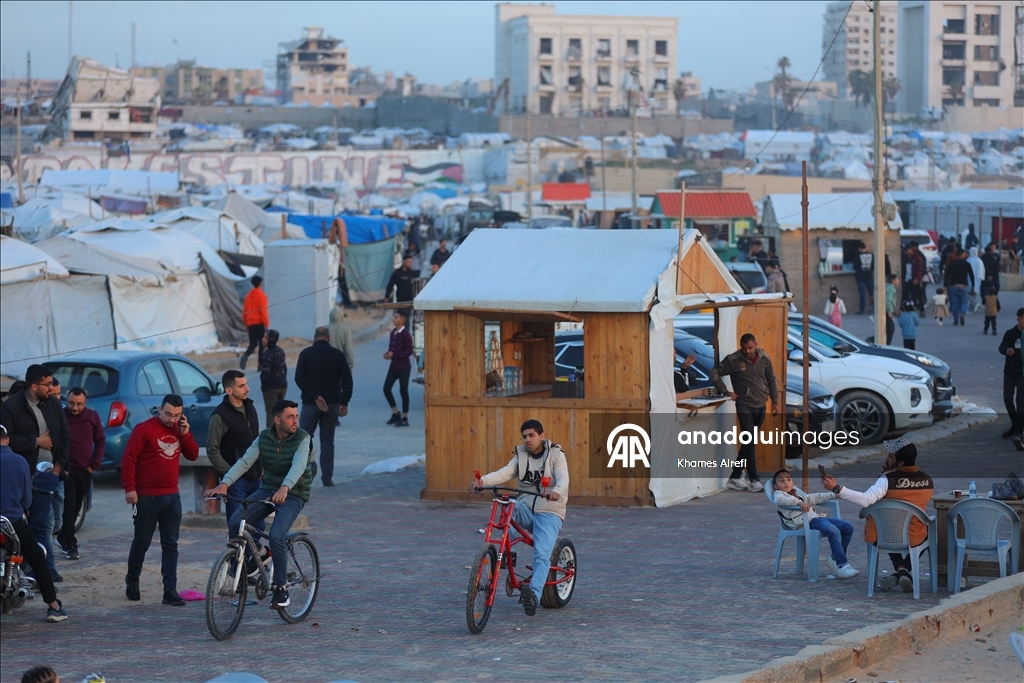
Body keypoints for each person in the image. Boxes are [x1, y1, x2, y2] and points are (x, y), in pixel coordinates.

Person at [206, 399, 314, 609]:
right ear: (277, 420)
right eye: (290, 417)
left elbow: (299, 465)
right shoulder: (264, 437)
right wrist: (225, 483)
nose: (295, 421)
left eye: (297, 416)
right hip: (268, 489)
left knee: (276, 536)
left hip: (294, 493)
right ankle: (261, 555)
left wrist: (285, 487)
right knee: (236, 522)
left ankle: (281, 588)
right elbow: (246, 461)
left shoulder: (303, 438)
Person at [470, 419, 569, 616]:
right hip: (526, 506)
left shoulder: (556, 454)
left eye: (531, 435)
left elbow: (563, 477)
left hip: (549, 510)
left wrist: (557, 490)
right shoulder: (521, 455)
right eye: (524, 436)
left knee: (542, 554)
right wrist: (482, 481)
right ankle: (508, 553)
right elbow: (504, 473)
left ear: (541, 436)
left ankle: (533, 595)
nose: (527, 440)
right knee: (508, 505)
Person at [821, 438, 933, 593]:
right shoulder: (927, 480)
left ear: (900, 463)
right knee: (930, 531)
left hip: (885, 535)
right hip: (915, 536)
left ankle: (900, 571)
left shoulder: (887, 479)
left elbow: (866, 500)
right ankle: (902, 571)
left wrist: (837, 488)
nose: (887, 459)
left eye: (891, 457)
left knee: (888, 527)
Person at [121, 394, 199, 606]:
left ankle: (170, 590)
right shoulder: (144, 429)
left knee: (170, 544)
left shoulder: (179, 429)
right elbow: (128, 459)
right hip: (146, 497)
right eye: (168, 414)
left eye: (176, 415)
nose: (171, 419)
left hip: (172, 496)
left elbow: (192, 455)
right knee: (142, 542)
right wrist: (130, 488)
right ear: (159, 409)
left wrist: (185, 433)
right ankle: (133, 579)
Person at [0, 364, 70, 582]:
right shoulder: (11, 407)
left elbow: (65, 437)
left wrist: (58, 468)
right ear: (33, 385)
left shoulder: (53, 405)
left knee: (45, 524)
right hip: (22, 476)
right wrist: (36, 441)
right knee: (22, 528)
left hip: (49, 475)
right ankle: (27, 570)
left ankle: (45, 568)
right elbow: (7, 439)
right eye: (47, 384)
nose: (51, 388)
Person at [0, 426, 68, 623]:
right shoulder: (19, 461)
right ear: (7, 440)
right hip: (12, 522)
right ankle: (53, 606)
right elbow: (26, 500)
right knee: (37, 558)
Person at [709, 333, 778, 493]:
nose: (747, 351)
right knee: (749, 440)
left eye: (750, 347)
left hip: (761, 404)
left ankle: (735, 476)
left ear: (756, 345)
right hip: (744, 404)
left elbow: (771, 379)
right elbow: (714, 373)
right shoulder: (733, 360)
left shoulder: (764, 358)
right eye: (744, 348)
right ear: (740, 346)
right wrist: (726, 391)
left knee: (750, 443)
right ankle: (754, 479)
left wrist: (775, 401)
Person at [771, 469, 858, 579]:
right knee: (833, 530)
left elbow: (815, 497)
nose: (786, 482)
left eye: (788, 479)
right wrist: (799, 503)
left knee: (847, 527)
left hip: (816, 519)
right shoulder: (779, 494)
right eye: (781, 481)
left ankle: (835, 559)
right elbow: (781, 500)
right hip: (807, 523)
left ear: (792, 482)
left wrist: (834, 495)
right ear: (775, 486)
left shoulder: (797, 494)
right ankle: (842, 564)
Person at [294, 327, 353, 487]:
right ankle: (327, 478)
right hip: (332, 404)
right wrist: (344, 402)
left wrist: (315, 396)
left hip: (310, 404)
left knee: (304, 439)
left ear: (314, 337)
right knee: (328, 441)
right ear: (328, 338)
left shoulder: (306, 354)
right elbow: (348, 380)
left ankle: (305, 472)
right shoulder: (337, 355)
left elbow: (299, 378)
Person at [207, 370, 264, 536]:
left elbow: (257, 440)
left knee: (257, 529)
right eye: (241, 385)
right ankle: (236, 562)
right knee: (237, 531)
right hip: (236, 483)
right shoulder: (219, 416)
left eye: (246, 383)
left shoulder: (250, 407)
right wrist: (231, 474)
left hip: (256, 479)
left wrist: (262, 468)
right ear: (229, 390)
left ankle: (254, 561)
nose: (247, 388)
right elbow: (212, 449)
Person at [56, 388, 104, 561]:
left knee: (76, 507)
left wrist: (94, 465)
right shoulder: (61, 416)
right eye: (71, 403)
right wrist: (62, 466)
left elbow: (100, 441)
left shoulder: (92, 417)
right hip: (67, 470)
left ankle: (63, 538)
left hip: (85, 470)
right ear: (66, 401)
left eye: (79, 404)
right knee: (69, 507)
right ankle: (71, 544)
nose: (74, 407)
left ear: (85, 403)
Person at [997, 308, 1024, 448]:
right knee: (1007, 399)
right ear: (1018, 319)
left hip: (1022, 374)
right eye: (1023, 318)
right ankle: (1015, 425)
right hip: (1009, 372)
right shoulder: (1010, 334)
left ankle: (1018, 431)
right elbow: (1001, 347)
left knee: (1021, 402)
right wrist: (1006, 351)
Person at [384, 311, 414, 427]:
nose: (394, 319)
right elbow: (391, 348)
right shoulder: (393, 333)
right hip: (394, 366)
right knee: (386, 388)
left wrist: (394, 354)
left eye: (396, 317)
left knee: (403, 390)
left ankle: (405, 417)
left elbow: (409, 351)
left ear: (402, 320)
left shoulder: (405, 334)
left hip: (404, 367)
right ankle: (395, 412)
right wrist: (388, 354)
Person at [258, 329, 288, 428]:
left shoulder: (268, 354)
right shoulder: (280, 351)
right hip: (282, 385)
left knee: (271, 412)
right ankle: (280, 434)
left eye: (266, 337)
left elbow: (266, 372)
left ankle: (271, 437)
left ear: (271, 339)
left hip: (272, 387)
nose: (263, 339)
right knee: (279, 412)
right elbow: (284, 368)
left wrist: (264, 386)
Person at [241, 276, 269, 370]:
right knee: (262, 344)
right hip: (260, 322)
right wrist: (266, 323)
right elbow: (263, 311)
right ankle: (260, 365)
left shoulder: (247, 296)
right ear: (260, 284)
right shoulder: (262, 295)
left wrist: (246, 323)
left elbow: (244, 311)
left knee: (253, 343)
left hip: (250, 323)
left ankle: (245, 355)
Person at [944, 249, 975, 326]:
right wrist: (973, 285)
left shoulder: (951, 264)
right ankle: (962, 312)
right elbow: (971, 275)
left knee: (955, 303)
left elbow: (947, 275)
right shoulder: (967, 264)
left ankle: (956, 320)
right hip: (964, 285)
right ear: (961, 255)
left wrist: (945, 285)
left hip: (954, 286)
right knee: (964, 301)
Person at [328, 305, 355, 373]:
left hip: (327, 365)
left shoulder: (325, 329)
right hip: (341, 365)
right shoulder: (346, 329)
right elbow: (349, 351)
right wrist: (349, 366)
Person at [853, 241, 874, 315]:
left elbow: (855, 267)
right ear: (865, 247)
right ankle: (874, 309)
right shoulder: (871, 255)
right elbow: (873, 266)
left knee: (862, 294)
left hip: (860, 277)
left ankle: (861, 310)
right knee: (872, 293)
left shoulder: (857, 255)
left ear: (859, 248)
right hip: (869, 276)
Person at [885, 274, 899, 345]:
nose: (898, 281)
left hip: (885, 310)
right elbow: (888, 300)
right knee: (890, 329)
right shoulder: (891, 289)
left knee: (887, 328)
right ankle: (887, 344)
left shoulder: (887, 286)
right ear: (893, 281)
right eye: (897, 279)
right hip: (887, 311)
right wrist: (889, 312)